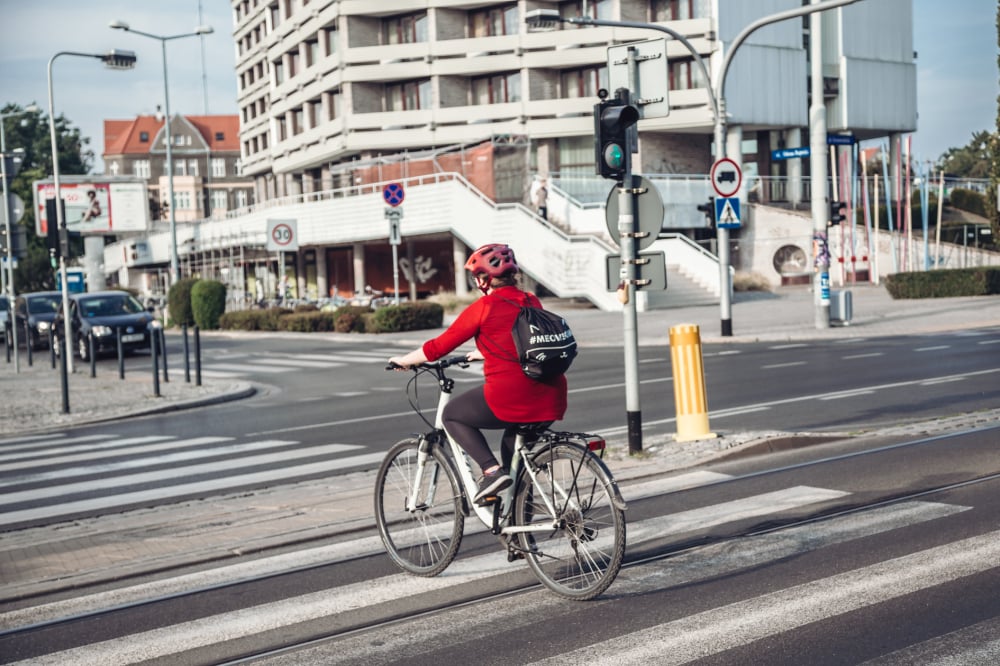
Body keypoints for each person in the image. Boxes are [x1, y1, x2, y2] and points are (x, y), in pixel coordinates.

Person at [389, 244, 567, 504]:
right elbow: (526, 340)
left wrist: (404, 360)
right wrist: (485, 351)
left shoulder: (484, 307)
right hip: (552, 396)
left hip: (512, 396)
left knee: (452, 416)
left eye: (476, 277)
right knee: (517, 468)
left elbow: (438, 347)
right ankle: (518, 536)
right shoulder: (531, 300)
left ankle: (490, 471)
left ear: (484, 279)